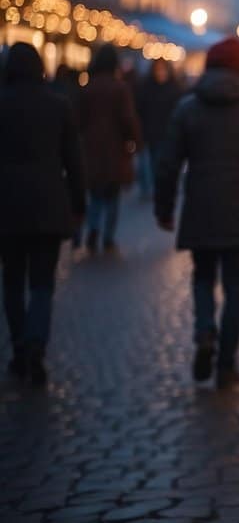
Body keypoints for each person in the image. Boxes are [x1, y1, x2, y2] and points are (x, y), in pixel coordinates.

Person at [154, 39, 239, 389]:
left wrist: (164, 209)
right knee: (235, 287)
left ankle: (203, 332)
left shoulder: (187, 108)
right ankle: (227, 365)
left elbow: (167, 164)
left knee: (202, 277)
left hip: (201, 205)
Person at [0, 43, 85, 387]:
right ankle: (37, 342)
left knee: (12, 280)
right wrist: (79, 204)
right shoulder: (58, 105)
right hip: (49, 202)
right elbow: (73, 161)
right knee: (41, 283)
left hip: (7, 204)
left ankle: (20, 346)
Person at [78, 44, 141, 253]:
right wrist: (135, 141)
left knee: (95, 193)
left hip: (92, 148)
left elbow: (80, 119)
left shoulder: (88, 87)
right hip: (115, 149)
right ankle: (108, 236)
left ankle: (93, 228)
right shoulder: (120, 88)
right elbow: (128, 119)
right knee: (112, 195)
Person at [135, 59, 182, 200]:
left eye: (163, 69)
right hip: (149, 132)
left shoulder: (174, 88)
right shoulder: (146, 87)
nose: (160, 73)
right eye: (158, 70)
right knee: (149, 163)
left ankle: (159, 188)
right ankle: (151, 188)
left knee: (161, 163)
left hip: (167, 133)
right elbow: (140, 109)